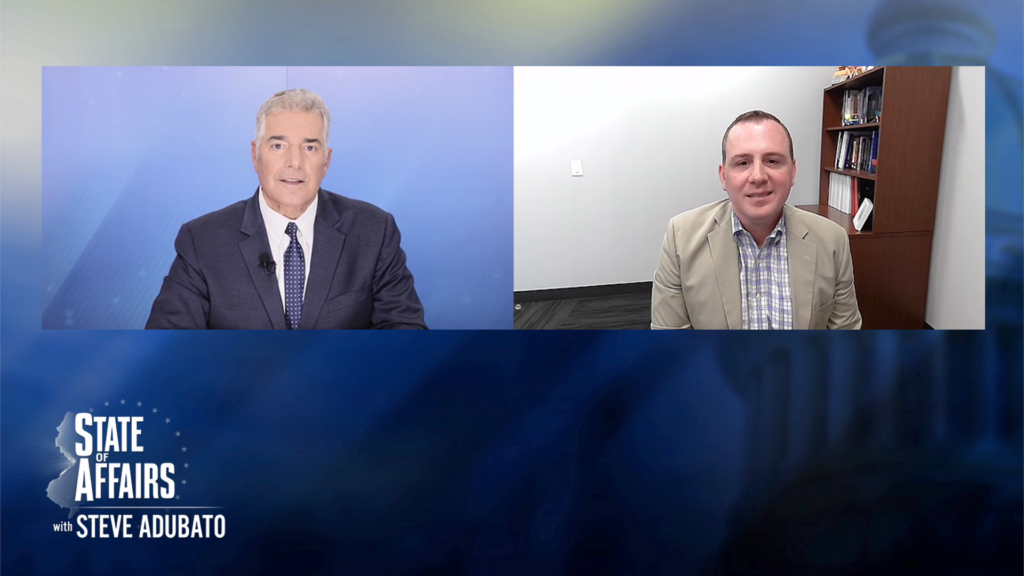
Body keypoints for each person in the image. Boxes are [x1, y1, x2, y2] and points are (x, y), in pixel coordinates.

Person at [146, 89, 426, 329]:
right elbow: (167, 347)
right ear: (256, 156)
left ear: (326, 161)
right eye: (278, 145)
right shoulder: (202, 241)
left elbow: (406, 334)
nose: (295, 162)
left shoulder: (374, 232)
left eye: (310, 148)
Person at [651, 110, 861, 330]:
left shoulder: (832, 240)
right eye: (743, 163)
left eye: (772, 161)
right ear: (723, 176)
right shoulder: (680, 239)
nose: (758, 176)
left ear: (793, 172)